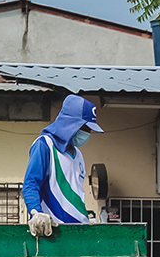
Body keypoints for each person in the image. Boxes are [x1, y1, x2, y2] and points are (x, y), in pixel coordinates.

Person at [22, 94, 103, 237]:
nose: (88, 133)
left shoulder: (78, 155)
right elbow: (31, 183)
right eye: (85, 128)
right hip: (53, 231)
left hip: (79, 231)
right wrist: (35, 212)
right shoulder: (45, 145)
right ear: (71, 123)